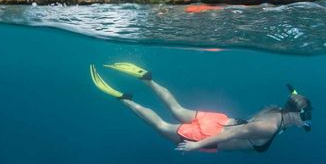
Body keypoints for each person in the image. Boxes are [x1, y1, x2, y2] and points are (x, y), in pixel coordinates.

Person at [89, 63, 313, 153]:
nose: (307, 119)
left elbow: (293, 97)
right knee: (161, 125)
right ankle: (124, 99)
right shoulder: (268, 127)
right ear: (295, 114)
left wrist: (295, 93)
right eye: (305, 116)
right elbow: (231, 134)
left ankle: (147, 79)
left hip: (218, 119)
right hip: (212, 134)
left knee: (177, 109)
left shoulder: (279, 111)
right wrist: (195, 147)